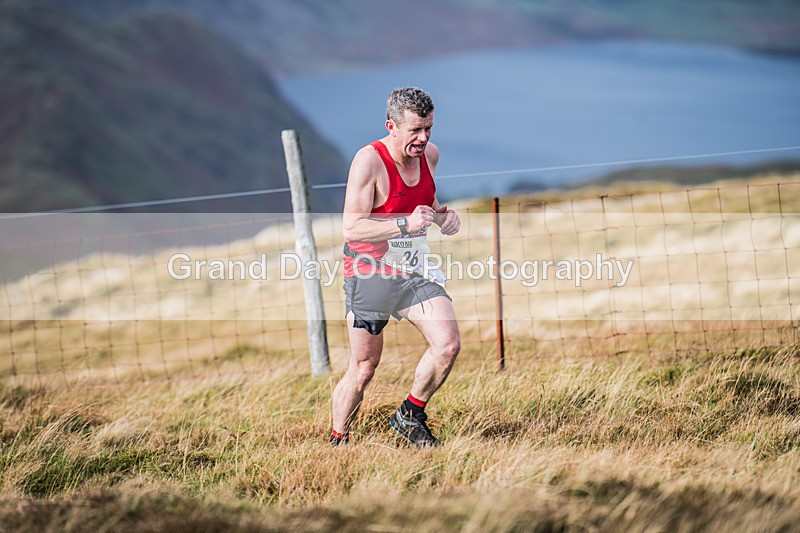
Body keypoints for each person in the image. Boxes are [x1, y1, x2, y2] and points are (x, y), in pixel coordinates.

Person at [330, 87, 461, 448]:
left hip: (414, 270)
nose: (423, 138)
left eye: (428, 129)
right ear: (392, 125)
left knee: (447, 344)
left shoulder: (430, 155)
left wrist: (443, 217)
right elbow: (352, 226)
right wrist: (405, 223)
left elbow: (427, 204)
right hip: (369, 272)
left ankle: (409, 415)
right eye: (415, 130)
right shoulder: (368, 161)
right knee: (363, 369)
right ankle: (337, 441)